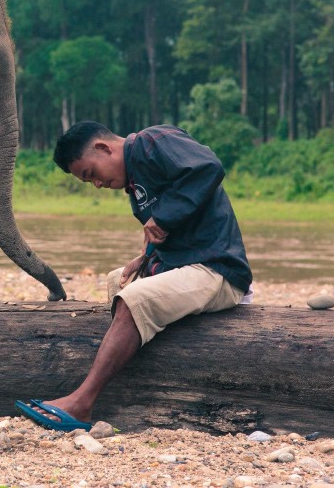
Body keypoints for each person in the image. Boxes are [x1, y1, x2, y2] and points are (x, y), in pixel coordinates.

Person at [15, 121, 252, 431]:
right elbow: (170, 226)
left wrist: (163, 218)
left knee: (132, 300)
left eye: (91, 174)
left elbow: (208, 167)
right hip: (185, 264)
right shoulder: (135, 181)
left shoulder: (152, 142)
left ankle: (82, 402)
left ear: (103, 148)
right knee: (119, 282)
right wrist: (147, 256)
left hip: (217, 269)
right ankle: (133, 379)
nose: (97, 184)